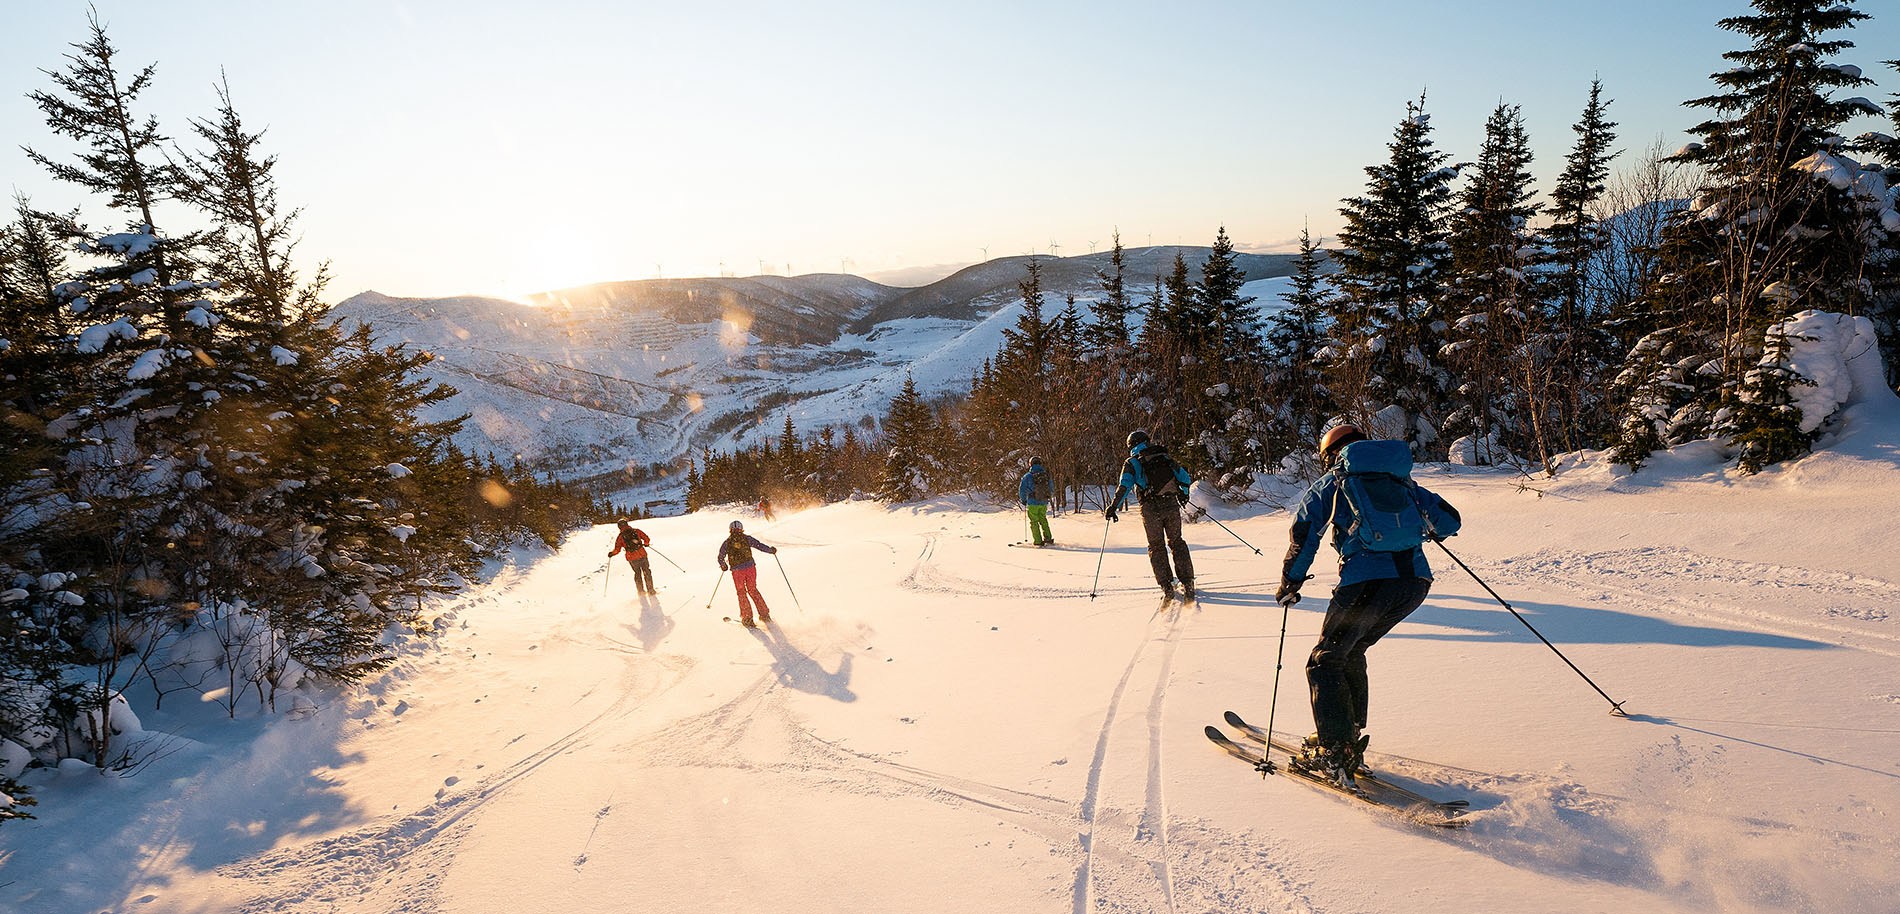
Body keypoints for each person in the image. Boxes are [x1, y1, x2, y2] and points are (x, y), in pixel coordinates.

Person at [1276, 424, 1462, 786]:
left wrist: (1290, 582)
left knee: (1325, 660)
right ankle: (1347, 735)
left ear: (1332, 453)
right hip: (1413, 585)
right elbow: (1450, 521)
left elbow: (1304, 536)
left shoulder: (1333, 484)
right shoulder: (1403, 482)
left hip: (1367, 582)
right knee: (1350, 650)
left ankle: (1335, 750)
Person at [1105, 430, 1196, 600]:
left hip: (1149, 509)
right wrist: (1183, 493)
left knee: (1156, 546)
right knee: (1177, 541)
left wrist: (1113, 507)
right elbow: (1184, 477)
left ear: (1130, 445)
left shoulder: (1132, 462)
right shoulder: (1163, 456)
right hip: (1170, 504)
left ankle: (1167, 585)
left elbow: (1124, 486)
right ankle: (1188, 581)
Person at [716, 519, 779, 627]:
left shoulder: (727, 542)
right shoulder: (747, 538)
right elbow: (759, 545)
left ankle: (747, 618)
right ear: (741, 529)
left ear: (730, 530)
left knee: (741, 593)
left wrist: (723, 565)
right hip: (750, 568)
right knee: (753, 590)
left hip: (737, 571)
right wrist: (770, 550)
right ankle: (764, 615)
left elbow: (720, 556)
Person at [608, 520, 657, 595]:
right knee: (646, 571)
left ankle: (641, 592)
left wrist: (612, 554)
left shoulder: (620, 537)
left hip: (631, 558)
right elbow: (647, 539)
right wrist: (646, 544)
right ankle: (651, 591)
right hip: (642, 554)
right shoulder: (636, 531)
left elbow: (617, 549)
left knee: (637, 573)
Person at [1017, 456, 1055, 546]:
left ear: (1031, 464)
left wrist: (1023, 500)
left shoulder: (1028, 476)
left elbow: (1022, 489)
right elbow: (1051, 488)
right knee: (1043, 519)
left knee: (1034, 521)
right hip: (1043, 502)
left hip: (1033, 502)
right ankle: (1048, 538)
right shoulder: (1046, 475)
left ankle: (1038, 541)